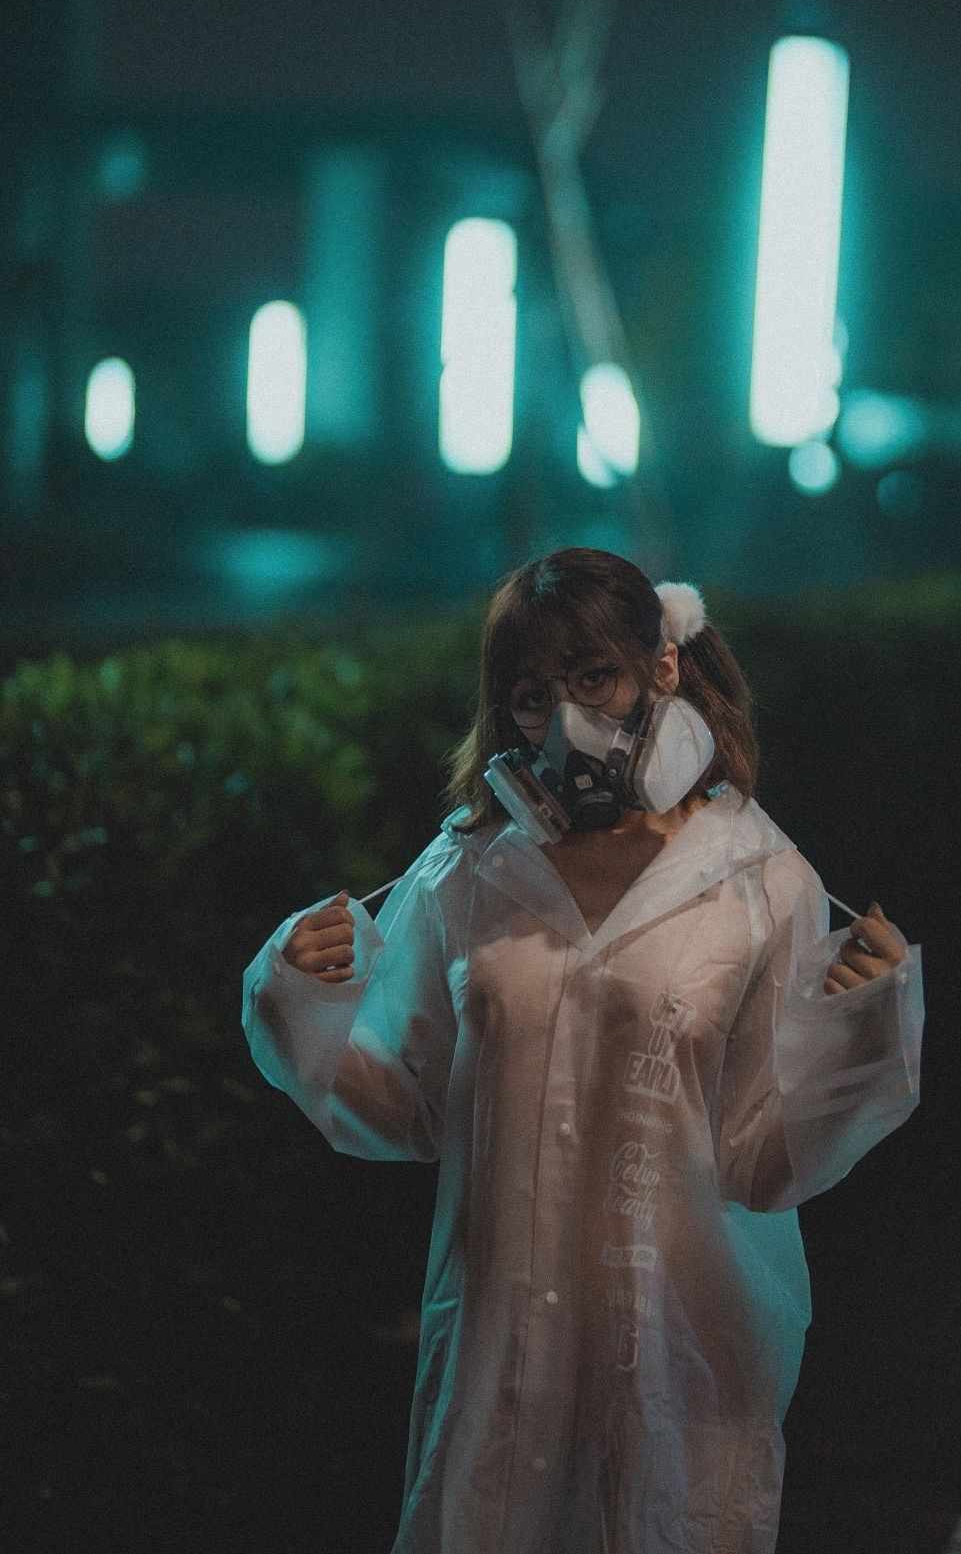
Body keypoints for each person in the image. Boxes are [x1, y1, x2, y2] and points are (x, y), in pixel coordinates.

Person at [242, 547, 924, 1554]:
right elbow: (410, 1105)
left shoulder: (757, 878)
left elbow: (761, 1157)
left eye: (595, 677)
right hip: (500, 1368)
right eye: (533, 696)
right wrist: (296, 1000)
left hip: (681, 1369)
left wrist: (862, 1034)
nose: (567, 722)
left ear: (663, 666)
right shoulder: (470, 871)